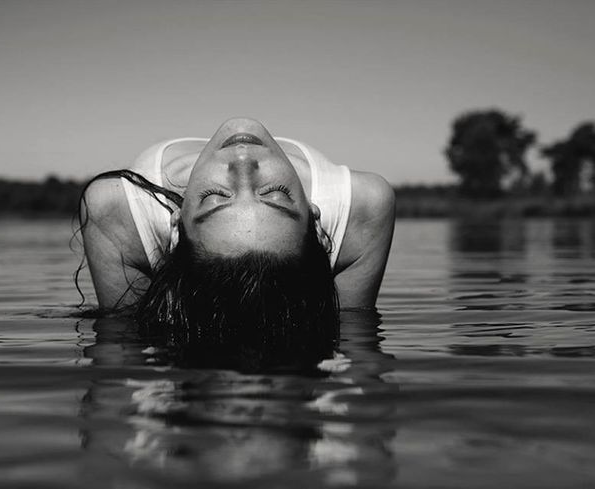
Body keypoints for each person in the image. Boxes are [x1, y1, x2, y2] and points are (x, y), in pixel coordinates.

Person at [78, 117, 395, 340]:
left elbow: (118, 374)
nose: (243, 161)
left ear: (176, 224)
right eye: (276, 194)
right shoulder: (361, 205)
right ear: (314, 218)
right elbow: (355, 359)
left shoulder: (117, 207)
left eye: (213, 198)